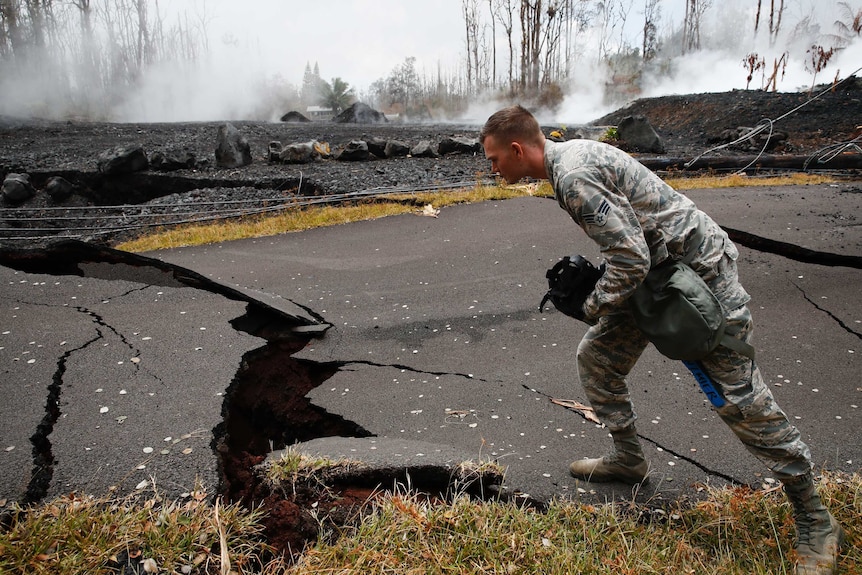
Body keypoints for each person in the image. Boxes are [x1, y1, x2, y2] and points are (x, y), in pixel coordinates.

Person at [480, 105, 844, 575]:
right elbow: (630, 245)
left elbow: (628, 258)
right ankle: (629, 460)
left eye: (493, 159)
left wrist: (592, 304)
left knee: (739, 400)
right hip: (658, 278)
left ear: (516, 149)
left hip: (699, 282)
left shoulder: (572, 177)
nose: (490, 168)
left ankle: (815, 518)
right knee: (598, 358)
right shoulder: (567, 160)